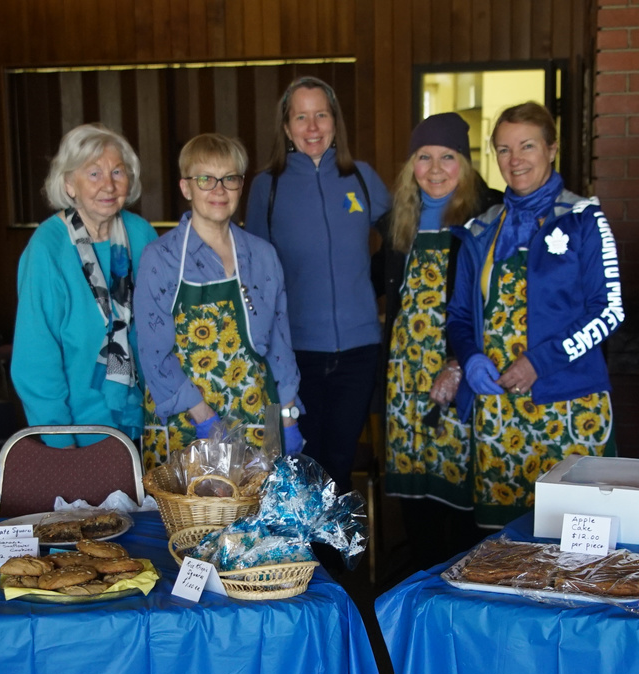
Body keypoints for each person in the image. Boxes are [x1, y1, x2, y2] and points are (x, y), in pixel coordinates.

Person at [445, 102, 623, 529]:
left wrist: (537, 363)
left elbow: (610, 311)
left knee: (577, 542)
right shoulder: (480, 229)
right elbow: (459, 316)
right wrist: (469, 358)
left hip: (569, 404)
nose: (515, 160)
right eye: (503, 149)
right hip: (498, 409)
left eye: (527, 146)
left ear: (551, 149)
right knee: (503, 546)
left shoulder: (584, 219)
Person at [245, 76, 389, 493]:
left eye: (321, 115)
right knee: (299, 468)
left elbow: (401, 242)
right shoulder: (266, 187)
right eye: (301, 116)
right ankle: (301, 560)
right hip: (295, 356)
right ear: (287, 127)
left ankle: (339, 558)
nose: (312, 127)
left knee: (340, 467)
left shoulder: (361, 178)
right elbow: (254, 276)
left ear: (334, 122)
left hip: (359, 352)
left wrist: (368, 287)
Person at [373, 113, 500, 568]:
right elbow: (375, 282)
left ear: (465, 164)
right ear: (411, 166)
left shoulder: (492, 218)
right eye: (424, 157)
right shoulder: (396, 223)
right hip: (406, 376)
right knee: (415, 487)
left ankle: (460, 584)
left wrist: (459, 363)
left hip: (462, 370)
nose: (435, 168)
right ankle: (421, 585)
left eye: (448, 157)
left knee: (460, 485)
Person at [136, 133, 303, 466]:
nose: (218, 190)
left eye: (229, 179)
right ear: (186, 188)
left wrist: (288, 414)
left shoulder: (263, 255)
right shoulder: (161, 257)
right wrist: (204, 417)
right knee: (192, 515)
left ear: (241, 187)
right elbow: (153, 352)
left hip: (260, 415)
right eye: (205, 179)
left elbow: (279, 345)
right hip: (186, 419)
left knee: (259, 514)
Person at [12, 124, 158, 447]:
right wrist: (62, 446)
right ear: (69, 183)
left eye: (117, 172)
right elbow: (35, 363)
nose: (108, 185)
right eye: (94, 174)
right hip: (78, 435)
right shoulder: (47, 249)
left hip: (144, 428)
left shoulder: (142, 235)